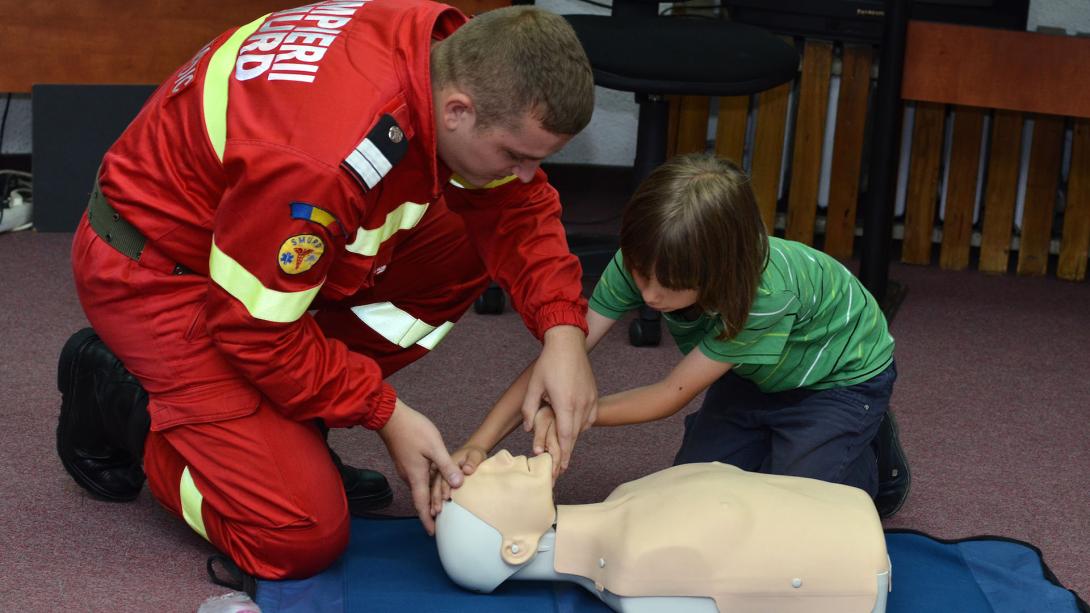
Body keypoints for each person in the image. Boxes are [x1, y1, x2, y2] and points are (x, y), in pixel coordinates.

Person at [56, 0, 598, 582]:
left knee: (467, 240)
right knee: (296, 538)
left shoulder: (453, 55)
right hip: (158, 277)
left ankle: (282, 423)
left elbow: (519, 208)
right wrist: (383, 413)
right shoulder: (322, 161)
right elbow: (254, 331)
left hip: (254, 248)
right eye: (516, 155)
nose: (524, 173)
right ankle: (125, 404)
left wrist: (563, 333)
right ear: (458, 110)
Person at [433, 153, 909, 520]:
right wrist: (481, 441)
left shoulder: (763, 295)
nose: (650, 296)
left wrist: (571, 416)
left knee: (800, 509)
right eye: (641, 276)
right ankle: (779, 436)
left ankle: (868, 446)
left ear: (723, 272)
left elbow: (667, 394)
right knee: (694, 494)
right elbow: (560, 354)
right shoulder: (645, 258)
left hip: (837, 382)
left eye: (671, 287)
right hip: (751, 374)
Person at [435, 451, 891, 613]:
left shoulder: (627, 498)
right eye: (487, 483)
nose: (497, 459)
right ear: (517, 548)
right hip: (856, 563)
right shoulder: (635, 572)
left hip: (845, 517)